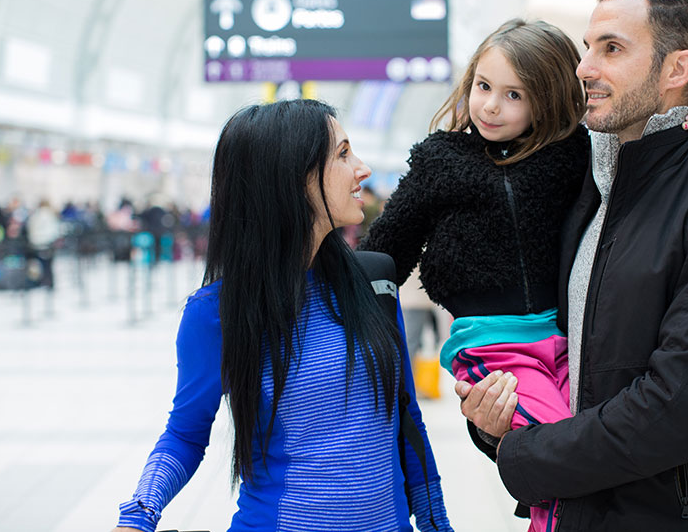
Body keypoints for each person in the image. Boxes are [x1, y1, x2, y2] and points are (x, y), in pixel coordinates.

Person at [457, 0, 688, 531]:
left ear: (677, 70)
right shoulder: (590, 192)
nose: (584, 67)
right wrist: (499, 420)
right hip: (580, 509)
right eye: (588, 46)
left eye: (611, 49)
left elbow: (673, 411)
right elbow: (573, 366)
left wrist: (520, 454)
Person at [359, 18, 688, 531]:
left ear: (548, 99)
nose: (490, 106)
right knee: (562, 452)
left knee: (584, 452)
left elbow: (648, 136)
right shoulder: (440, 162)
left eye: (514, 95)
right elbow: (384, 253)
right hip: (493, 348)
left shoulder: (573, 153)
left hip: (569, 341)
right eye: (483, 87)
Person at [111, 100, 452, 532]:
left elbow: (406, 421)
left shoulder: (374, 280)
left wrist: (438, 523)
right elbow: (185, 434)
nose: (362, 169)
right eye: (343, 154)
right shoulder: (215, 314)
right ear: (294, 177)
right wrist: (138, 515)